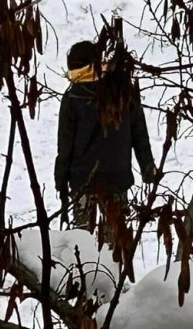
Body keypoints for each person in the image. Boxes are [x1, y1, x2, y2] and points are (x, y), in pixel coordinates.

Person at [55, 40, 155, 233]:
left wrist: (61, 180)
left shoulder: (73, 98)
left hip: (82, 180)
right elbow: (140, 134)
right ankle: (116, 263)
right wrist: (148, 168)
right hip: (117, 179)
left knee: (82, 242)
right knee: (116, 242)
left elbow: (65, 145)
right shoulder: (123, 91)